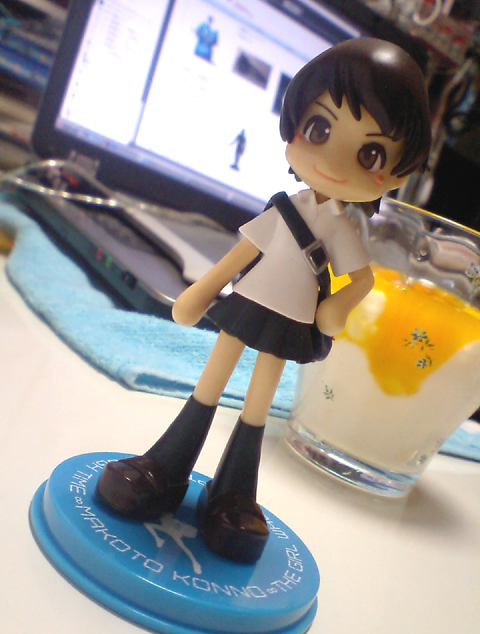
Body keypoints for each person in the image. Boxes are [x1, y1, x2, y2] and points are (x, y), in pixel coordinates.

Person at [96, 38, 431, 564]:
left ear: (398, 174)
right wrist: (202, 290)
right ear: (293, 125)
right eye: (319, 129)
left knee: (257, 404)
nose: (333, 160)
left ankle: (232, 495)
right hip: (249, 301)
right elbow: (241, 254)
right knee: (209, 384)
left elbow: (362, 280)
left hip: (290, 319)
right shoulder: (285, 209)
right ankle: (165, 467)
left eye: (370, 154)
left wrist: (337, 308)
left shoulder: (342, 228)